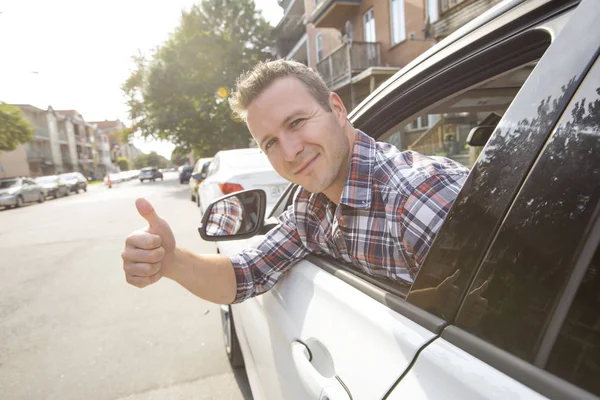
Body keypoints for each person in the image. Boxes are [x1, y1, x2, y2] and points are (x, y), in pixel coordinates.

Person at [122, 59, 469, 305]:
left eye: (297, 122)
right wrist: (170, 262)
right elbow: (247, 274)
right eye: (270, 142)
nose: (290, 152)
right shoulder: (311, 206)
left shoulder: (418, 198)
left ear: (337, 109)